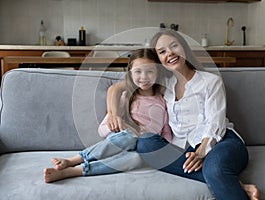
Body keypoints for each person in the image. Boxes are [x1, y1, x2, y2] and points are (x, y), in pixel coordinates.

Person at [106, 30, 259, 200]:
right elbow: (117, 87)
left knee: (214, 168)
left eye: (174, 46)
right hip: (184, 149)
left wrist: (202, 152)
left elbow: (216, 123)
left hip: (221, 142)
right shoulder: (163, 84)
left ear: (184, 48)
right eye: (162, 51)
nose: (170, 53)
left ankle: (220, 176)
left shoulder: (210, 81)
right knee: (146, 144)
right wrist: (114, 114)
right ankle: (233, 184)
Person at [44, 48, 172, 183]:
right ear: (130, 73)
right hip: (122, 141)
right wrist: (121, 127)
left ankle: (76, 171)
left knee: (138, 159)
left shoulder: (162, 101)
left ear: (158, 73)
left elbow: (165, 131)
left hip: (141, 149)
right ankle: (73, 160)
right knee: (131, 137)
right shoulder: (126, 97)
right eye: (138, 71)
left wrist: (164, 150)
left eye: (150, 71)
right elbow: (103, 129)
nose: (144, 77)